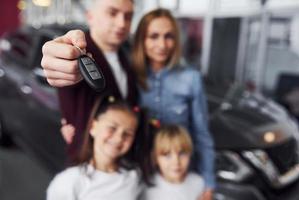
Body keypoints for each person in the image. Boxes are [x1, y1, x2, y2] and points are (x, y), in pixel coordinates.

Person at [132, 8, 215, 199]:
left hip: (181, 175)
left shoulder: (191, 79)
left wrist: (208, 183)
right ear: (142, 41)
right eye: (153, 36)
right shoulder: (132, 78)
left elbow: (202, 134)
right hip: (142, 173)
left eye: (168, 36)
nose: (162, 44)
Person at [41, 0, 138, 160]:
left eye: (128, 16)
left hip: (123, 161)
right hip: (86, 162)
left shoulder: (124, 56)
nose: (122, 23)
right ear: (90, 16)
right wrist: (57, 57)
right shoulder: (78, 54)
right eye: (112, 13)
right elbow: (62, 63)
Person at [47, 96, 144, 200]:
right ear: (93, 127)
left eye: (128, 134)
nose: (119, 139)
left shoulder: (134, 177)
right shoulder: (68, 182)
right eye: (112, 128)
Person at [140, 124, 204, 200]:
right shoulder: (147, 187)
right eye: (167, 155)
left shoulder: (198, 183)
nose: (176, 162)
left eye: (182, 153)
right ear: (155, 158)